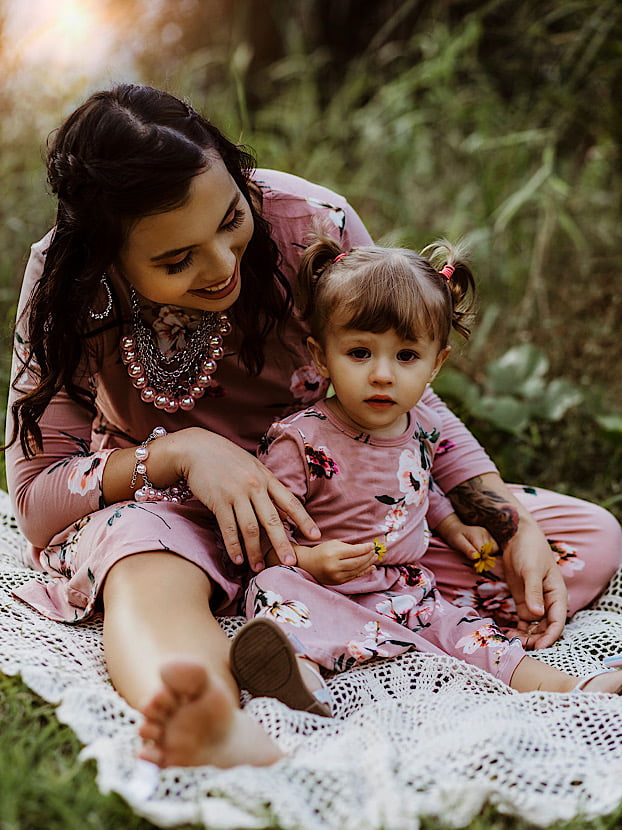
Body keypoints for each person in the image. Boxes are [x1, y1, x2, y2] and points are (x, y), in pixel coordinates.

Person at [4, 83, 621, 768]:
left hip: (330, 518)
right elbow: (37, 499)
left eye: (231, 219)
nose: (221, 266)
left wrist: (507, 520)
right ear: (107, 260)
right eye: (176, 260)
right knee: (140, 566)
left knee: (584, 538)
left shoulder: (311, 223)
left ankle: (294, 613)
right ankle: (207, 709)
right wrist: (183, 454)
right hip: (173, 516)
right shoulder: (67, 285)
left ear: (238, 175)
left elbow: (395, 389)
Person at [229, 236, 622, 713]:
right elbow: (269, 532)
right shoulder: (299, 438)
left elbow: (419, 486)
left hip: (403, 585)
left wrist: (453, 524)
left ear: (437, 364)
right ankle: (299, 675)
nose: (382, 374)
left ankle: (568, 688)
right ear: (320, 354)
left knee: (466, 633)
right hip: (321, 581)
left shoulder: (426, 427)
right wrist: (311, 562)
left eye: (406, 356)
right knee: (276, 593)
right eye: (358, 353)